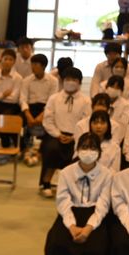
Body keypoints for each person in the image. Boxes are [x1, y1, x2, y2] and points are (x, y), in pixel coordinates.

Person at [40, 132, 113, 255]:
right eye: (84, 147)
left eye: (93, 148)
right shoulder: (67, 172)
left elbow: (103, 204)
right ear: (77, 149)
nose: (88, 151)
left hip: (94, 214)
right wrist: (71, 225)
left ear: (99, 152)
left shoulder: (107, 174)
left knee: (98, 242)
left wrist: (88, 228)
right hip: (71, 212)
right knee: (56, 239)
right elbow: (63, 201)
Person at [40, 67, 92, 197]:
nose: (70, 82)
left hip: (77, 136)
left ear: (79, 82)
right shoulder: (54, 98)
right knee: (52, 149)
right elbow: (48, 119)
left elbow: (86, 121)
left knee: (77, 154)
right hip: (56, 134)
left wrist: (74, 137)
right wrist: (58, 134)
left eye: (74, 79)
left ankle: (69, 186)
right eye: (67, 79)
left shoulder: (86, 101)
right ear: (63, 81)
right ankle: (46, 182)